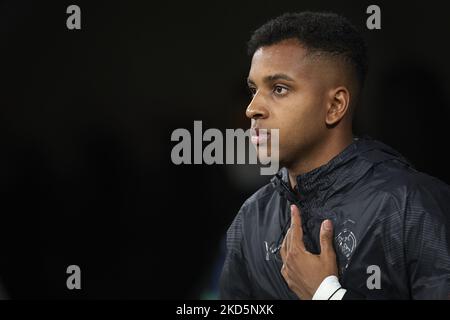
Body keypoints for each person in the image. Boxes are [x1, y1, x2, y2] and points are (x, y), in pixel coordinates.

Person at [219, 11, 450, 300]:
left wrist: (326, 294)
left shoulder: (412, 206)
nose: (252, 109)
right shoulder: (252, 217)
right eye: (254, 89)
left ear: (335, 105)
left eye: (279, 88)